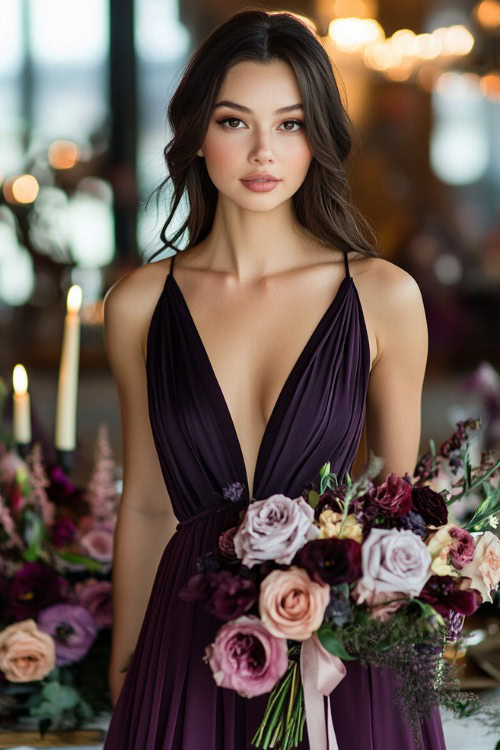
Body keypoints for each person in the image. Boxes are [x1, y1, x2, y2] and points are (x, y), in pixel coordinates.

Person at [102, 8, 446, 749]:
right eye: (235, 122)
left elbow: (398, 511)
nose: (263, 151)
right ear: (197, 131)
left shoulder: (383, 296)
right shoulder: (137, 305)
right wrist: (127, 670)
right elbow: (148, 507)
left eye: (289, 124)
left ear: (318, 137)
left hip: (344, 664)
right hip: (183, 648)